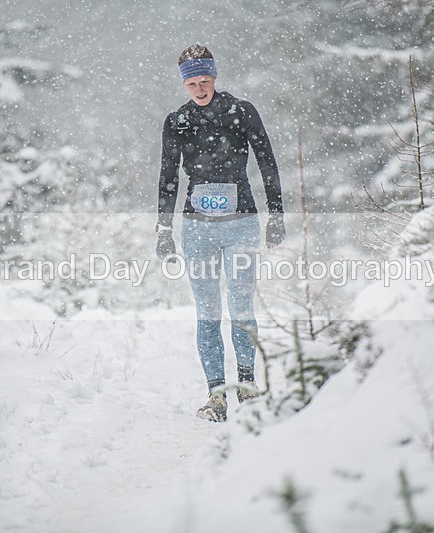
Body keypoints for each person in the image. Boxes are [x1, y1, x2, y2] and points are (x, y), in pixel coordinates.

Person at [156, 44, 285, 422]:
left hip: (241, 223)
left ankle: (246, 387)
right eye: (192, 83)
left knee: (242, 308)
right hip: (196, 229)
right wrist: (163, 228)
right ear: (184, 84)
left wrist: (276, 215)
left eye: (204, 80)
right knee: (208, 313)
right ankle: (216, 395)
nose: (199, 89)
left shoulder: (241, 112)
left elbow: (267, 162)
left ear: (214, 76)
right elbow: (167, 177)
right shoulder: (176, 121)